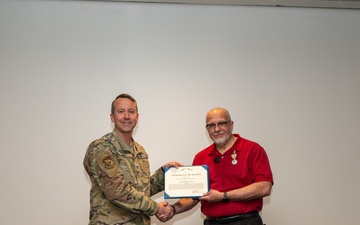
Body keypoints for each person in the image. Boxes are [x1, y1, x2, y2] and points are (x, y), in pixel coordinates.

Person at [158, 107, 273, 225]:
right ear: (207, 129)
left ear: (231, 124)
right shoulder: (201, 157)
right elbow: (195, 196)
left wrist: (223, 196)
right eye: (211, 125)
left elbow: (264, 187)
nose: (217, 129)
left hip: (245, 221)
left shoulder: (253, 149)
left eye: (222, 123)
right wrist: (173, 209)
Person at [83, 93, 182, 225]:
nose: (126, 116)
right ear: (112, 117)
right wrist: (156, 208)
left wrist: (164, 174)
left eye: (131, 111)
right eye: (121, 111)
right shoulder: (102, 148)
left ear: (137, 117)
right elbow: (117, 191)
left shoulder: (140, 151)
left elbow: (141, 190)